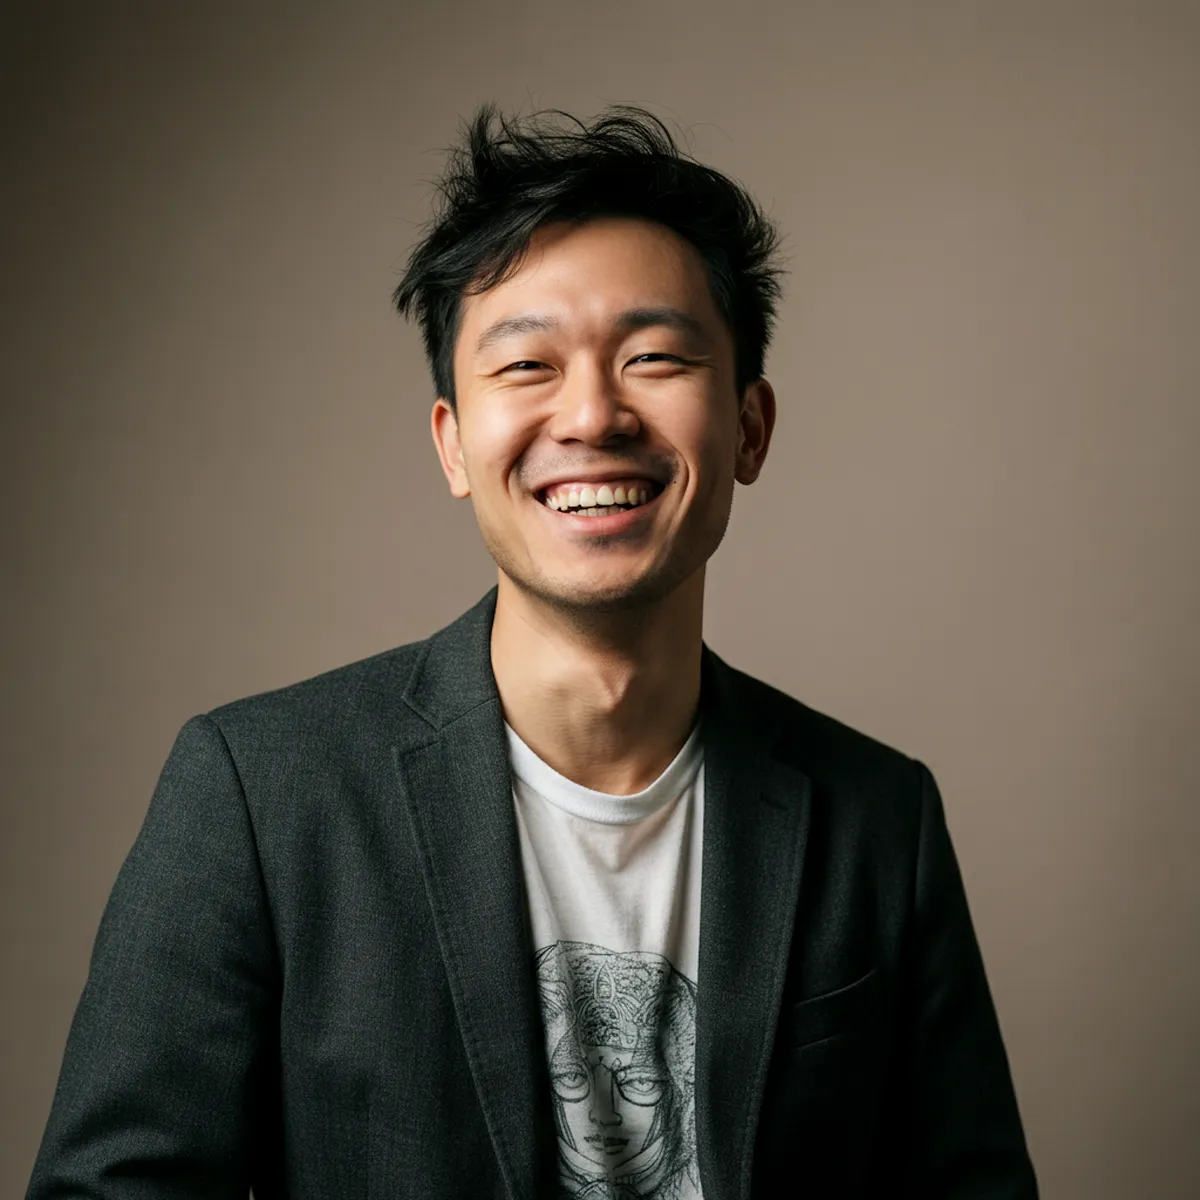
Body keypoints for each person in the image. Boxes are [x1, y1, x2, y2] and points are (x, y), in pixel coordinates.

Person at [27, 104, 1039, 1199]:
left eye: (653, 356)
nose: (593, 414)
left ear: (749, 427)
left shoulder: (880, 819)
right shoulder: (260, 793)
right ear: (454, 443)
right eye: (526, 367)